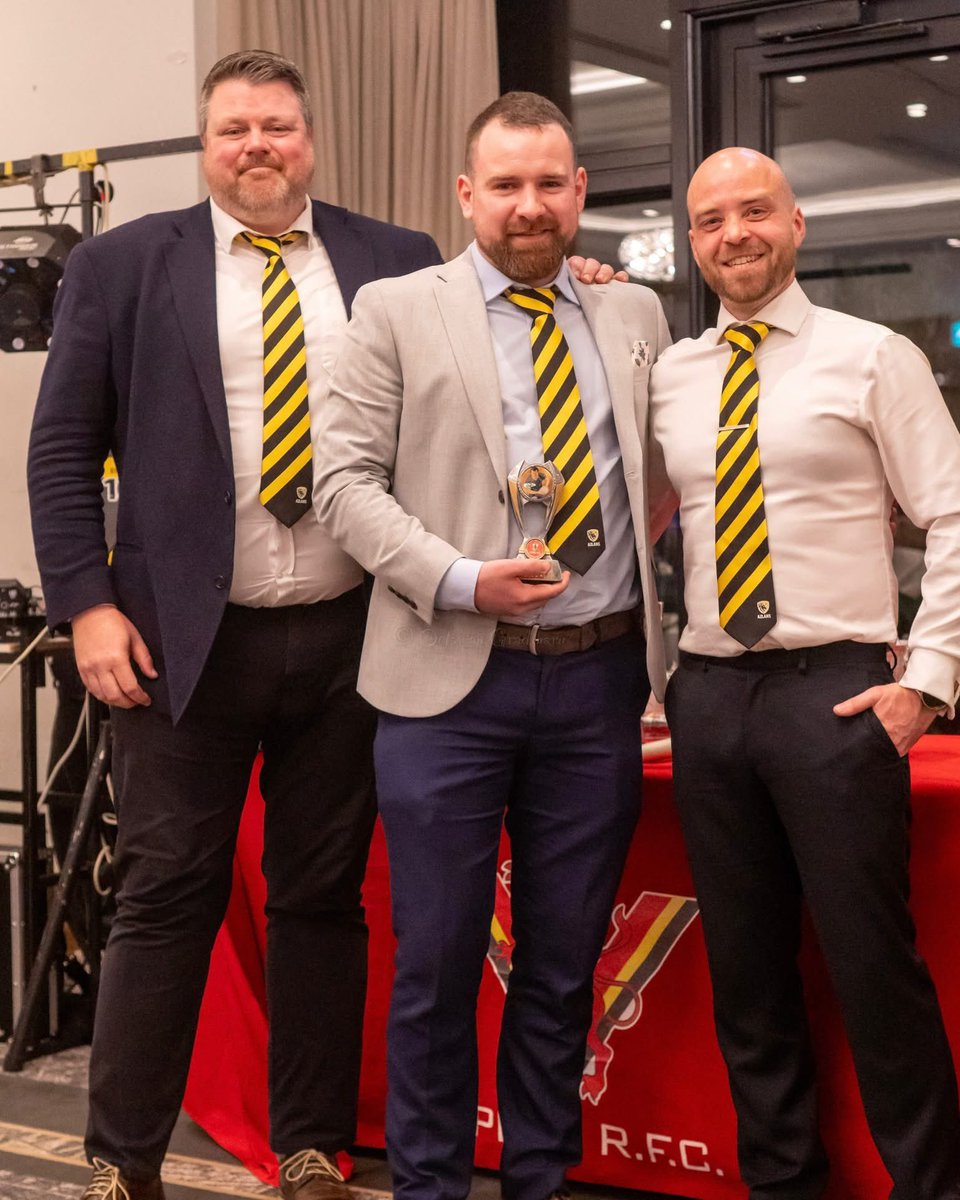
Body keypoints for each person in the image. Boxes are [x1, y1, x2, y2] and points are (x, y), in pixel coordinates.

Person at [27, 49, 448, 1200]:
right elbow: (61, 453)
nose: (257, 145)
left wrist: (583, 283)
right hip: (177, 644)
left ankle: (311, 1149)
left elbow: (477, 378)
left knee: (322, 898)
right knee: (164, 897)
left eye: (277, 126)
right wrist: (87, 606)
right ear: (207, 145)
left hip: (352, 638)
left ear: (310, 140)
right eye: (234, 129)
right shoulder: (121, 265)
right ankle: (122, 1164)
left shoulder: (397, 260)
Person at [313, 92, 670, 1200]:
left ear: (580, 192)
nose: (529, 205)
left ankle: (539, 1181)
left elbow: (668, 477)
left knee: (562, 969)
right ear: (466, 194)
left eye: (550, 184)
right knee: (435, 965)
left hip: (599, 682)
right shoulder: (393, 309)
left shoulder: (633, 312)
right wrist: (464, 580)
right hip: (444, 684)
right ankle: (428, 1188)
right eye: (506, 185)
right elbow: (342, 486)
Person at [648, 146, 960, 1199]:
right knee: (746, 977)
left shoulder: (873, 356)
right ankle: (783, 1186)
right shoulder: (673, 375)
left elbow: (953, 514)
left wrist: (929, 679)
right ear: (693, 243)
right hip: (709, 696)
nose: (733, 234)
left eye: (754, 212)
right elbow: (644, 523)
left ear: (795, 225)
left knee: (874, 971)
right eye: (710, 221)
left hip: (836, 695)